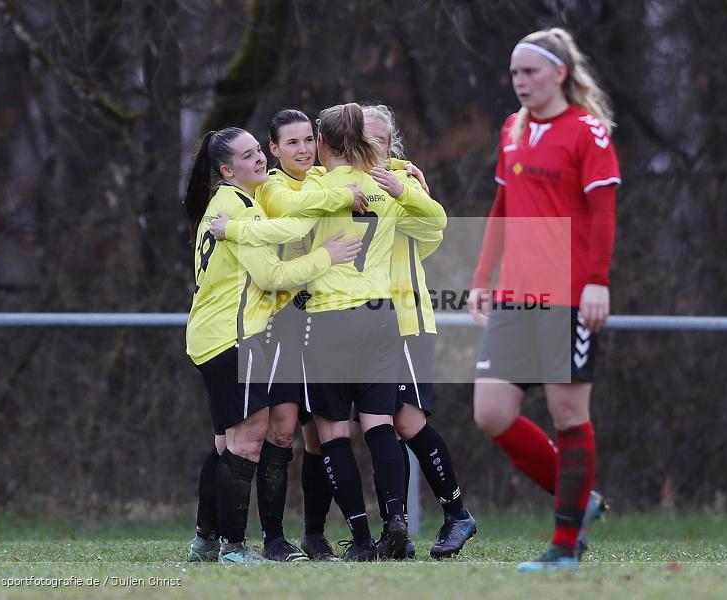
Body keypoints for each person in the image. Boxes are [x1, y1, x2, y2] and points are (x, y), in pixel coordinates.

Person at [211, 103, 446, 561]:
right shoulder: (385, 184)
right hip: (382, 316)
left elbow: (290, 219)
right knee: (380, 426)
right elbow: (436, 222)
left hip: (326, 317)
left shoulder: (318, 187)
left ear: (323, 144)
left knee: (330, 434)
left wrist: (233, 228)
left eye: (310, 140)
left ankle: (359, 539)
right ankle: (395, 520)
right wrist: (404, 182)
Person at [469, 28, 619, 571]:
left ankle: (564, 545)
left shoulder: (588, 132)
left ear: (559, 73)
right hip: (516, 294)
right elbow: (502, 206)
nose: (519, 82)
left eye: (529, 71)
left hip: (569, 292)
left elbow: (602, 215)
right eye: (513, 73)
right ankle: (582, 502)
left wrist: (597, 281)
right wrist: (483, 274)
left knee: (567, 414)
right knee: (491, 412)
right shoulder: (512, 128)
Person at [183, 126, 361, 564]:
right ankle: (232, 547)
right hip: (232, 334)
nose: (260, 158)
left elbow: (288, 228)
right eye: (248, 155)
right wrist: (327, 257)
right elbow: (271, 277)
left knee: (235, 441)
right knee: (244, 441)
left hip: (229, 333)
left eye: (259, 151)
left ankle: (210, 542)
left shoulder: (240, 204)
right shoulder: (236, 207)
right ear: (227, 170)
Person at [362, 104, 477, 559]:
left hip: (406, 320)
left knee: (407, 421)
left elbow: (434, 227)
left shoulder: (402, 182)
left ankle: (456, 513)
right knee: (378, 426)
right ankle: (396, 529)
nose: (376, 149)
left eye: (383, 141)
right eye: (366, 140)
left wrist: (403, 190)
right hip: (359, 323)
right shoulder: (336, 184)